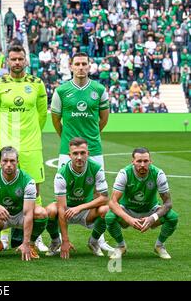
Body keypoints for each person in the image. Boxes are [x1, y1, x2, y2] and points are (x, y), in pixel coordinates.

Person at [50, 51, 113, 254]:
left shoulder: (99, 89)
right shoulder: (61, 91)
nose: (80, 67)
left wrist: (90, 139)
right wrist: (68, 144)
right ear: (70, 66)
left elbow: (103, 119)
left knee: (98, 193)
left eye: (84, 64)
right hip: (66, 150)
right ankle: (60, 239)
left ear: (89, 66)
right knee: (62, 193)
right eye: (77, 64)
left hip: (93, 148)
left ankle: (98, 239)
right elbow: (56, 121)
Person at [0, 43, 49, 252]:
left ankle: (35, 237)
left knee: (36, 188)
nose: (16, 62)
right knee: (3, 188)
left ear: (25, 60)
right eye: (13, 59)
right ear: (7, 61)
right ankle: (4, 234)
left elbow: (42, 113)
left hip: (32, 145)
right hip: (7, 146)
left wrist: (32, 134)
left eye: (20, 59)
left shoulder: (37, 83)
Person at [105, 148, 179, 259]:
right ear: (133, 162)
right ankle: (121, 246)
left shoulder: (158, 174)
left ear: (150, 161)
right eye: (139, 161)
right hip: (128, 209)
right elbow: (112, 202)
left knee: (173, 217)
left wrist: (153, 218)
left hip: (150, 210)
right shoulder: (124, 173)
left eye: (146, 161)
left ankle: (159, 246)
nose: (142, 164)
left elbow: (168, 203)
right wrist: (128, 219)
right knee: (109, 217)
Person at [45, 138, 110, 258]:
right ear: (69, 155)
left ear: (88, 154)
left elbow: (105, 198)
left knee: (107, 210)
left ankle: (94, 241)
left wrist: (79, 207)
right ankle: (56, 241)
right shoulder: (61, 174)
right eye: (75, 153)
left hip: (86, 210)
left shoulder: (96, 168)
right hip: (65, 210)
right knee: (49, 210)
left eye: (82, 153)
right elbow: (61, 207)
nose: (79, 157)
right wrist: (65, 240)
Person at [0, 146, 48, 260]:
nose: (8, 164)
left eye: (12, 161)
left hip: (21, 215)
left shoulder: (28, 180)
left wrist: (25, 242)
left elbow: (28, 213)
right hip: (2, 217)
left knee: (41, 213)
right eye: (5, 161)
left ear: (17, 162)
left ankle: (31, 245)